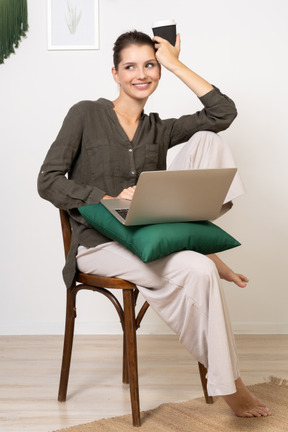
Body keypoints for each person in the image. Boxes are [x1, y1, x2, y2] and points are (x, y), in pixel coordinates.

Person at [38, 30, 271, 418]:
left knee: (208, 142)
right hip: (100, 245)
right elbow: (48, 181)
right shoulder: (86, 113)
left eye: (150, 65)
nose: (140, 74)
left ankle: (198, 247)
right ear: (114, 73)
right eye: (130, 66)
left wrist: (176, 63)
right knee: (199, 268)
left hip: (147, 235)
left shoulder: (159, 130)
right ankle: (235, 387)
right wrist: (106, 199)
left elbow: (222, 114)